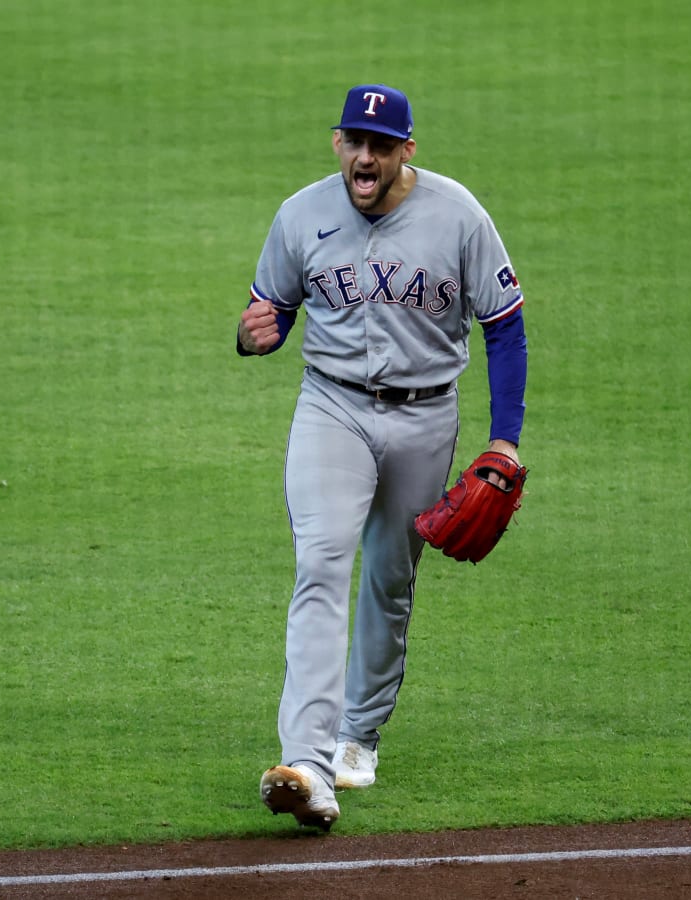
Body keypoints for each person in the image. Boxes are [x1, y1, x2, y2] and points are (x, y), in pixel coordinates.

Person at [238, 84, 527, 830]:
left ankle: (359, 732)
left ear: (407, 151)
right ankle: (306, 764)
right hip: (330, 408)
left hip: (425, 416)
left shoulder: (459, 216)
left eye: (381, 145)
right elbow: (268, 310)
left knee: (390, 580)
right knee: (321, 564)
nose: (365, 157)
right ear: (337, 142)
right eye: (352, 141)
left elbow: (503, 325)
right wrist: (252, 336)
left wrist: (505, 436)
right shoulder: (300, 214)